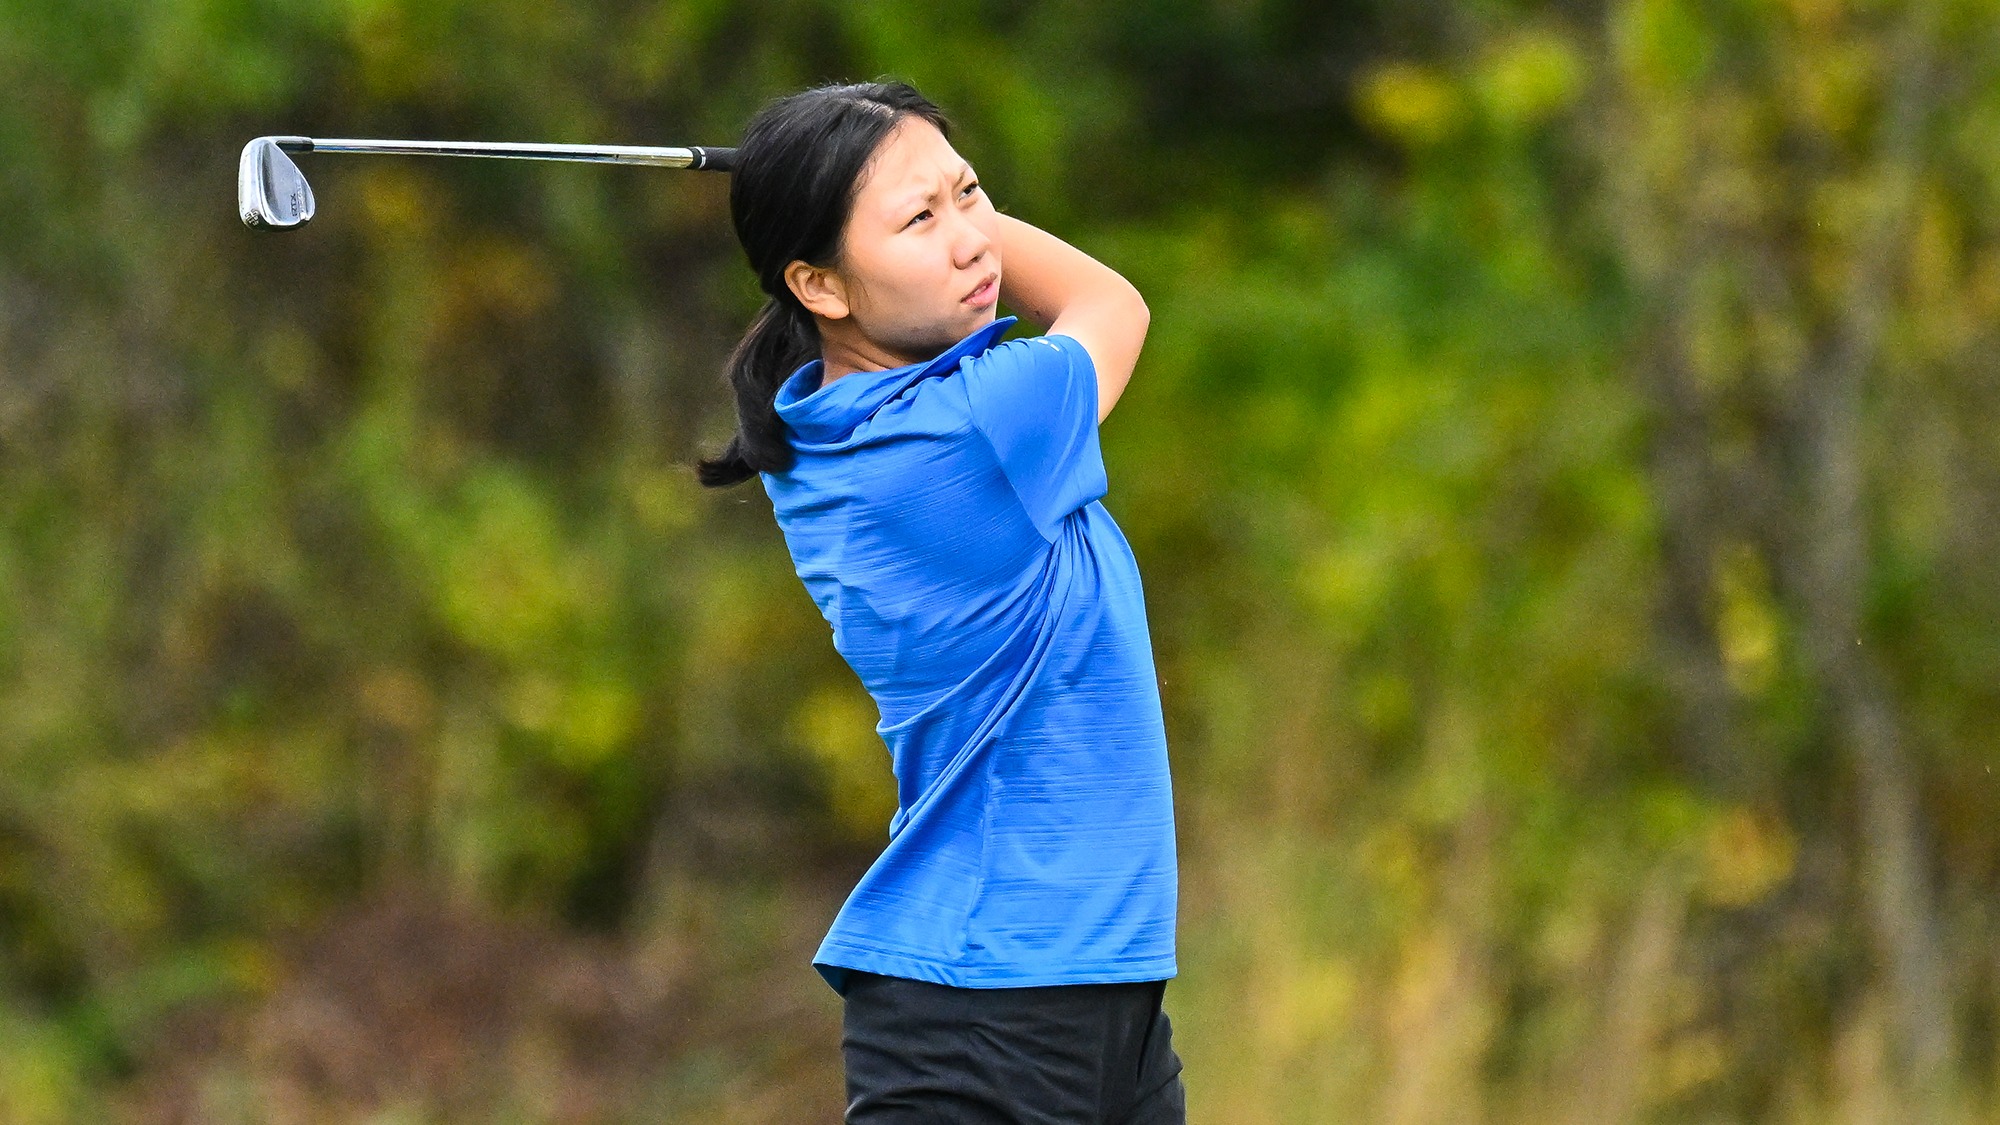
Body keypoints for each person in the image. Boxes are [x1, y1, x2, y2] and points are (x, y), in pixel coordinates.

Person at [697, 80, 1185, 1124]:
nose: (971, 241)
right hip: (988, 1013)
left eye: (973, 196)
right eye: (922, 222)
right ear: (818, 287)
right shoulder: (972, 431)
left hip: (1088, 996)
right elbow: (1110, 303)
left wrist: (877, 190)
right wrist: (887, 177)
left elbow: (947, 286)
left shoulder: (825, 419)